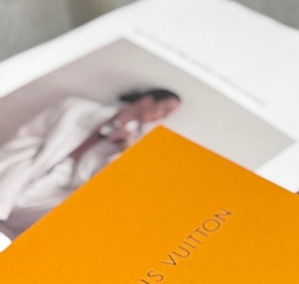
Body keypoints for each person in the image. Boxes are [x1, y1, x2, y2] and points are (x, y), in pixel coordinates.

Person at [0, 88, 180, 238]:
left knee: (68, 215)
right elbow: (28, 135)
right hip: (33, 163)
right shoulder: (76, 109)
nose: (163, 117)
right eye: (165, 110)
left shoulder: (133, 144)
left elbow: (106, 187)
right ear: (147, 101)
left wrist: (125, 153)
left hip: (63, 185)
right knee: (13, 180)